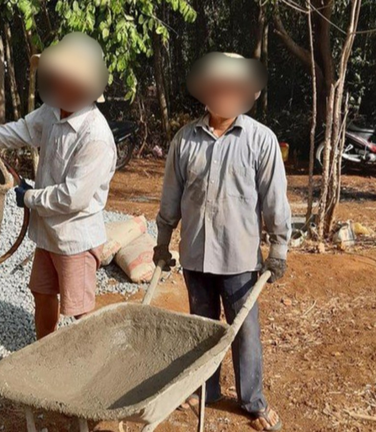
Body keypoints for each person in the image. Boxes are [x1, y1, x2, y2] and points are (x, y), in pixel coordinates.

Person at [153, 52, 291, 431]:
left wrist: (279, 248)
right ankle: (207, 389)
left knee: (244, 332)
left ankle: (252, 401)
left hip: (239, 259)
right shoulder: (185, 140)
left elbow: (274, 200)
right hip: (196, 256)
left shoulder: (261, 140)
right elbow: (171, 198)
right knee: (202, 327)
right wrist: (162, 243)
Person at [0, 32, 116, 339]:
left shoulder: (95, 136)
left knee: (79, 310)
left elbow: (72, 197)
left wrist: (30, 197)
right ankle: (44, 351)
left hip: (75, 238)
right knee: (42, 292)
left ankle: (87, 362)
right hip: (49, 234)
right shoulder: (52, 112)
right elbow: (19, 131)